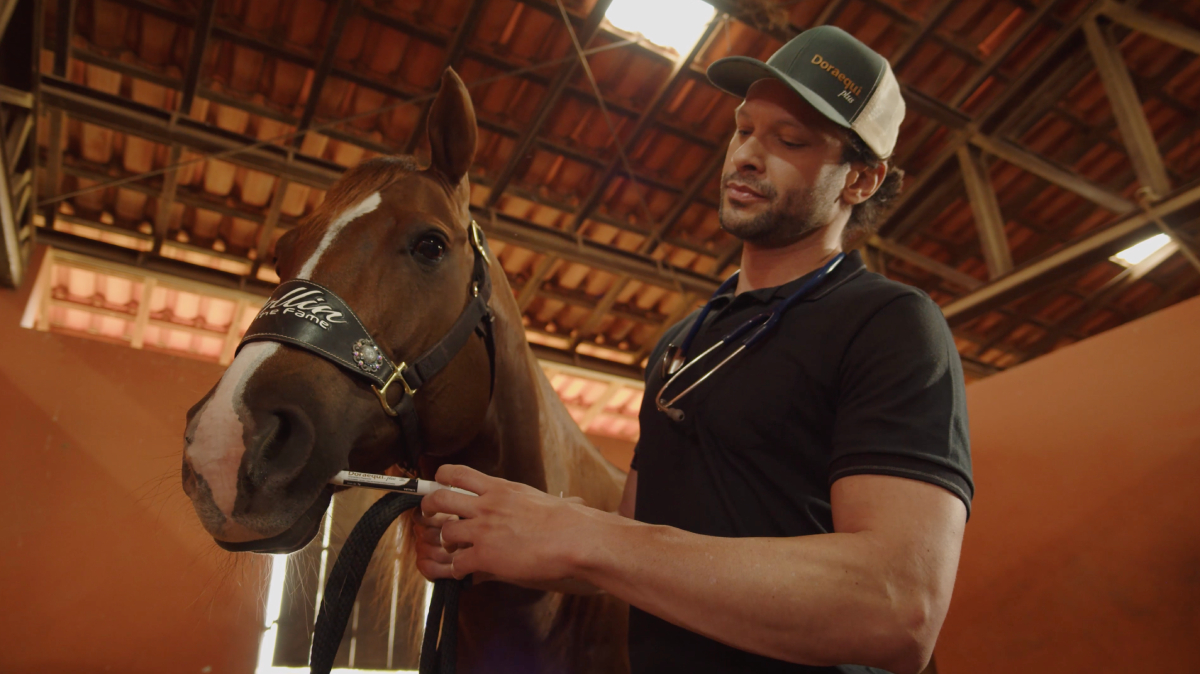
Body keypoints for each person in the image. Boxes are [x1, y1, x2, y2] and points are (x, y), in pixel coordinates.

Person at [416, 25, 973, 674]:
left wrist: (585, 537)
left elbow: (897, 607)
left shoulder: (891, 324)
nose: (747, 156)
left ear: (862, 181)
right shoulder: (681, 343)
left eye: (789, 140)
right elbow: (628, 549)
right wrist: (497, 541)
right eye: (744, 130)